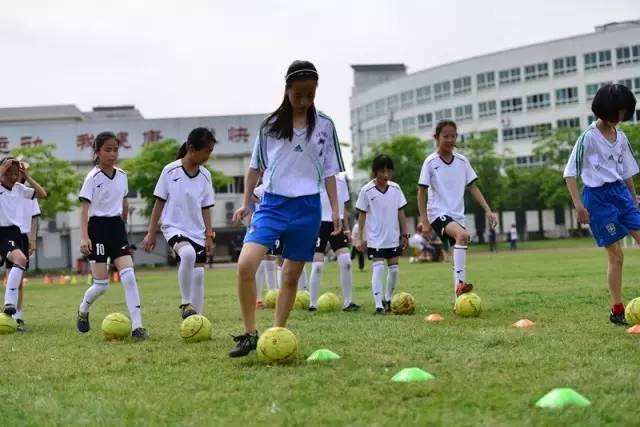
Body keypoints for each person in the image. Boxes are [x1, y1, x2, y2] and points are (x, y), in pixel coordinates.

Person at [229, 60, 344, 358]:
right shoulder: (270, 126)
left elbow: (331, 172)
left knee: (291, 276)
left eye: (311, 94)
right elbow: (255, 168)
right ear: (287, 90)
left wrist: (336, 211)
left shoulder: (326, 126)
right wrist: (245, 203)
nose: (305, 101)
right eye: (299, 94)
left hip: (308, 208)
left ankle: (277, 332)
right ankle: (249, 333)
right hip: (273, 204)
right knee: (245, 265)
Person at [563, 83, 638, 325]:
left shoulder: (621, 137)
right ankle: (617, 309)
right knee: (616, 256)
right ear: (608, 109)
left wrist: (633, 198)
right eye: (621, 110)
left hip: (621, 194)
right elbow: (569, 173)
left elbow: (627, 171)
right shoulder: (588, 138)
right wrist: (579, 206)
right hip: (597, 198)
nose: (624, 115)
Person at [75, 132, 148, 340]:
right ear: (97, 152)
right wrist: (84, 237)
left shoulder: (123, 175)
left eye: (115, 149)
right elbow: (84, 210)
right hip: (97, 229)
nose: (112, 154)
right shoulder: (92, 177)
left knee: (129, 276)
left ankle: (137, 327)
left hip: (116, 228)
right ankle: (83, 309)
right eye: (107, 149)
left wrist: (124, 216)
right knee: (101, 285)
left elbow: (124, 200)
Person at [417, 120, 497, 300]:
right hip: (437, 213)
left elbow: (473, 187)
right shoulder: (430, 162)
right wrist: (424, 221)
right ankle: (461, 285)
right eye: (445, 136)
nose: (450, 140)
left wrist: (488, 210)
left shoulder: (462, 161)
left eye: (453, 136)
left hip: (457, 216)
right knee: (463, 236)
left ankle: (458, 298)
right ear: (436, 137)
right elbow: (421, 192)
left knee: (460, 247)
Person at [143, 128, 216, 320]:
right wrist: (151, 232)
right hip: (173, 227)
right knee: (188, 253)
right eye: (207, 151)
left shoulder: (206, 176)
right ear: (192, 148)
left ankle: (197, 320)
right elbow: (158, 203)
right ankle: (185, 302)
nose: (209, 156)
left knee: (199, 275)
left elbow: (206, 207)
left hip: (197, 231)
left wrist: (209, 235)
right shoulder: (170, 170)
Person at [355, 155, 409, 314]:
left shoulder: (396, 188)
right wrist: (359, 237)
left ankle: (388, 299)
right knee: (378, 269)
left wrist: (405, 234)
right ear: (375, 171)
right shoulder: (366, 190)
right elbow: (362, 216)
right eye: (382, 171)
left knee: (394, 270)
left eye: (388, 171)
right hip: (375, 240)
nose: (386, 175)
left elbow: (401, 212)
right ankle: (378, 305)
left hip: (393, 238)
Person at [0, 157, 46, 317]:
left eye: (16, 173)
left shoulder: (20, 189)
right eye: (9, 173)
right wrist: (2, 169)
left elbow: (42, 193)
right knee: (20, 260)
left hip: (17, 234)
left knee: (17, 272)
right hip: (2, 233)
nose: (13, 177)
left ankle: (15, 315)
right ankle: (9, 303)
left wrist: (27, 177)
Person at [308, 173, 359, 312]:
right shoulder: (314, 178)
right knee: (317, 266)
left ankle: (348, 303)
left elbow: (343, 208)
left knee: (346, 262)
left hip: (337, 224)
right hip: (319, 224)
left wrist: (347, 230)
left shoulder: (341, 181)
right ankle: (312, 304)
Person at [9, 168, 41, 331]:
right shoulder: (4, 189)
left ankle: (17, 315)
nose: (19, 174)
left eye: (22, 171)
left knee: (18, 280)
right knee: (11, 278)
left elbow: (35, 217)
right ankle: (9, 314)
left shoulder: (27, 192)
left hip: (22, 237)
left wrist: (33, 240)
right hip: (5, 234)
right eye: (16, 170)